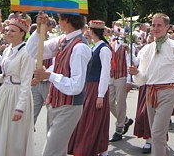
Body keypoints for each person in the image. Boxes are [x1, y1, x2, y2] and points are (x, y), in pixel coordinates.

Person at [27, 12, 92, 156]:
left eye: (59, 18)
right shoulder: (63, 40)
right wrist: (38, 30)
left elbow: (76, 86)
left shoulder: (80, 47)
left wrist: (49, 75)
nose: (57, 21)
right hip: (55, 103)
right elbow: (32, 51)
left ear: (67, 20)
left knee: (51, 153)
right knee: (58, 152)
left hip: (69, 106)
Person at [128, 13, 174, 156]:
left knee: (156, 134)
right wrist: (136, 72)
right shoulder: (147, 49)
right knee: (157, 135)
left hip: (168, 92)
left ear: (167, 27)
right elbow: (143, 78)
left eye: (159, 25)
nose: (155, 28)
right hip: (150, 93)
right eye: (153, 25)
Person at [0, 18, 35, 156]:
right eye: (7, 30)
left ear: (22, 33)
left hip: (17, 96)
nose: (8, 33)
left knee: (14, 136)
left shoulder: (27, 53)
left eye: (12, 30)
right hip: (4, 93)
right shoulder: (7, 50)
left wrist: (20, 107)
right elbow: (6, 76)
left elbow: (25, 82)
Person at [68, 20, 113, 156]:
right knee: (89, 119)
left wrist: (100, 95)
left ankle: (98, 149)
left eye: (89, 29)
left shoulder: (104, 49)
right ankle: (98, 149)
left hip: (97, 87)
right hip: (89, 86)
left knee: (95, 119)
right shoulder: (94, 47)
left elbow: (105, 73)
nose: (87, 31)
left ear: (93, 31)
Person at [108, 24, 134, 142]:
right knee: (109, 102)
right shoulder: (111, 44)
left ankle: (119, 129)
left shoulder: (126, 47)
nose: (116, 33)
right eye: (115, 31)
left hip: (122, 77)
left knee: (121, 104)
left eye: (119, 31)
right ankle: (125, 120)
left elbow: (129, 63)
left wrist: (129, 80)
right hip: (112, 76)